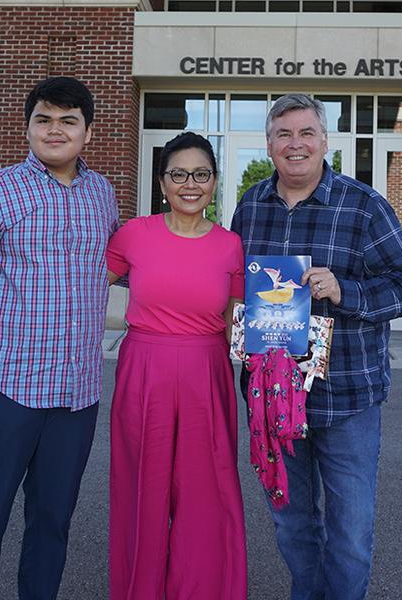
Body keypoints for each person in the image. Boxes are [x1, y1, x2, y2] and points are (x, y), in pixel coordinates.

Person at [230, 93, 402, 600]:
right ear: (269, 144)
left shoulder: (363, 206)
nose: (295, 145)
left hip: (346, 398)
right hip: (273, 399)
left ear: (324, 142)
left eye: (306, 134)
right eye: (283, 135)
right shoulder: (250, 205)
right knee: (292, 526)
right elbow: (234, 286)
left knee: (349, 534)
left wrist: (346, 292)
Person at [0, 76, 119, 600]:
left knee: (52, 525)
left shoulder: (102, 194)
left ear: (89, 130)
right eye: (43, 119)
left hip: (76, 398)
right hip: (6, 395)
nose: (55, 130)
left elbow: (121, 269)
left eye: (68, 120)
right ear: (28, 127)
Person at [106, 132, 248, 600]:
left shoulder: (231, 246)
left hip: (207, 372)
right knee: (141, 491)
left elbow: (237, 323)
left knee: (205, 495)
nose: (191, 184)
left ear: (214, 182)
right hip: (143, 371)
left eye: (202, 174)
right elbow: (75, 285)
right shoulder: (133, 235)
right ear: (162, 181)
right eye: (179, 174)